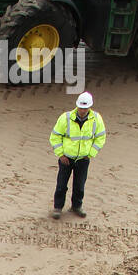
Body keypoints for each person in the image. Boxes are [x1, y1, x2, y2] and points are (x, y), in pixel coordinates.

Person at [50, 91, 106, 220]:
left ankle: (77, 206)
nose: (82, 110)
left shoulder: (96, 119)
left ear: (89, 108)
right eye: (81, 108)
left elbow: (100, 137)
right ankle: (58, 207)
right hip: (66, 159)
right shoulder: (65, 118)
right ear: (77, 106)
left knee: (79, 185)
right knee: (61, 185)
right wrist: (61, 154)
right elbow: (55, 136)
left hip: (83, 159)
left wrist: (90, 154)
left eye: (85, 108)